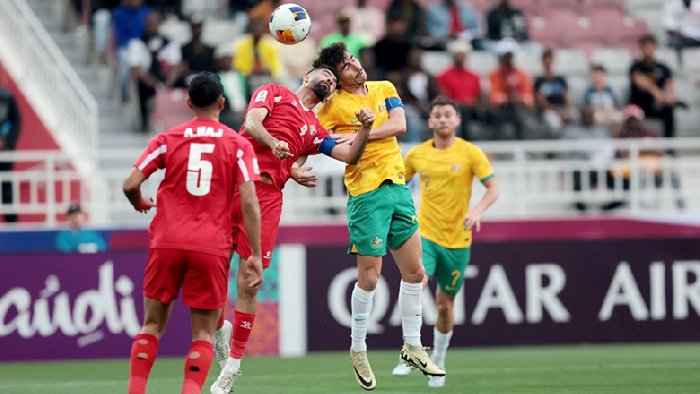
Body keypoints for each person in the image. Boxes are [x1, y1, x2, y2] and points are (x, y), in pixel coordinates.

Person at [210, 66, 376, 394]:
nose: (328, 80)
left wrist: (365, 130)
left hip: (268, 197)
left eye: (332, 80)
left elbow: (349, 156)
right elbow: (253, 124)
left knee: (250, 281)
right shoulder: (274, 92)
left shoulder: (315, 129)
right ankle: (219, 332)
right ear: (306, 76)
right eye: (324, 74)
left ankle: (232, 367)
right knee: (210, 275)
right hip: (232, 185)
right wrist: (275, 145)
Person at [313, 42, 445, 391]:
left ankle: (413, 345)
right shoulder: (332, 105)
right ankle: (358, 349)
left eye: (353, 59)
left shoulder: (385, 89)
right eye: (346, 65)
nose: (355, 66)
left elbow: (400, 124)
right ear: (337, 78)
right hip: (365, 194)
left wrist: (362, 132)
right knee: (370, 278)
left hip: (397, 187)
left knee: (416, 272)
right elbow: (319, 140)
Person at [122, 72, 262, 394]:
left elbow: (130, 183)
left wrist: (140, 202)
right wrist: (253, 253)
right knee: (202, 334)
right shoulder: (237, 145)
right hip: (211, 245)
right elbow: (250, 202)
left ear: (188, 102)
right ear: (222, 103)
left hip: (166, 241)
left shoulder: (167, 139)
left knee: (152, 325)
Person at [394, 96, 499, 387]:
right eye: (437, 114)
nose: (442, 119)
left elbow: (493, 188)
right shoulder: (416, 155)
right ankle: (410, 350)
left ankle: (438, 358)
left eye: (447, 115)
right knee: (418, 282)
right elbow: (397, 183)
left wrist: (476, 210)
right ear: (429, 122)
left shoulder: (470, 153)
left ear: (457, 120)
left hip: (458, 240)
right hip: (425, 234)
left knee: (444, 304)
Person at [128, 12, 181, 132]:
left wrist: (168, 82)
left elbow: (175, 66)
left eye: (154, 24)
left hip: (165, 79)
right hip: (146, 80)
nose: (151, 26)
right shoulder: (137, 43)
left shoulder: (169, 43)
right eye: (149, 24)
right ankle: (144, 122)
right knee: (142, 89)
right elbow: (136, 70)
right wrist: (151, 81)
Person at [629, 34, 676, 139]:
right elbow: (641, 81)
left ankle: (669, 148)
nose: (648, 49)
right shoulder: (636, 66)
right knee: (632, 112)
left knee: (669, 111)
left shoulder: (663, 67)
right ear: (641, 48)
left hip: (656, 105)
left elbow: (670, 86)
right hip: (639, 105)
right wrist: (657, 93)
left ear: (655, 47)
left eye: (650, 46)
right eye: (645, 46)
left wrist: (670, 98)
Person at [488, 39, 534, 139]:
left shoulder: (522, 74)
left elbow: (529, 99)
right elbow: (495, 98)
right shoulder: (495, 74)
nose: (508, 60)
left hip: (519, 108)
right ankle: (495, 149)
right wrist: (509, 98)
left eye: (510, 57)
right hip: (502, 110)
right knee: (495, 116)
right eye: (506, 57)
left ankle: (522, 149)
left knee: (519, 114)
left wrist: (517, 98)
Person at [436, 41, 481, 139]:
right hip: (454, 109)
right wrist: (462, 103)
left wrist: (472, 103)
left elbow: (478, 96)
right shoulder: (444, 76)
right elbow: (444, 97)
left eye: (462, 55)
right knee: (461, 112)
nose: (460, 58)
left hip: (473, 110)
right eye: (458, 55)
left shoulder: (473, 76)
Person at [112, 0, 150, 101]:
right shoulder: (120, 13)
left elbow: (148, 33)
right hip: (126, 47)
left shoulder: (146, 12)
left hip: (142, 47)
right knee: (124, 64)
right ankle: (124, 92)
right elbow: (119, 36)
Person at [167, 17, 216, 88]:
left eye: (198, 27)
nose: (197, 30)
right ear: (191, 28)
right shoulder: (184, 49)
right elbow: (182, 69)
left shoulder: (210, 50)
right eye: (194, 27)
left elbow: (211, 70)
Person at [534, 49, 573, 135]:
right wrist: (557, 111)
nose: (549, 63)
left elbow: (567, 97)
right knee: (554, 122)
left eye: (550, 60)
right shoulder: (539, 82)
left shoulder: (560, 80)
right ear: (542, 62)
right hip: (548, 112)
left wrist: (567, 110)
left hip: (562, 109)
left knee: (574, 117)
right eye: (546, 60)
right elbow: (541, 102)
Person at [0, 86, 20, 223]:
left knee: (6, 186)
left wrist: (6, 143)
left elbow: (17, 121)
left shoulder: (6, 97)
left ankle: (11, 223)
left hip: (4, 153)